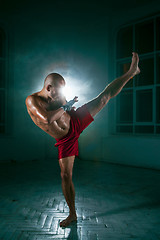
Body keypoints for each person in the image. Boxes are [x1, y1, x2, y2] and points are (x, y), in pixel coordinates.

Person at [25, 52, 140, 227]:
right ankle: (72, 214)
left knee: (104, 97)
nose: (60, 96)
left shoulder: (58, 95)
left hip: (75, 121)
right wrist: (65, 105)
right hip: (65, 140)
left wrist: (67, 105)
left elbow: (66, 108)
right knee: (65, 175)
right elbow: (48, 119)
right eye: (57, 93)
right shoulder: (32, 101)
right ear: (48, 88)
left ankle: (131, 72)